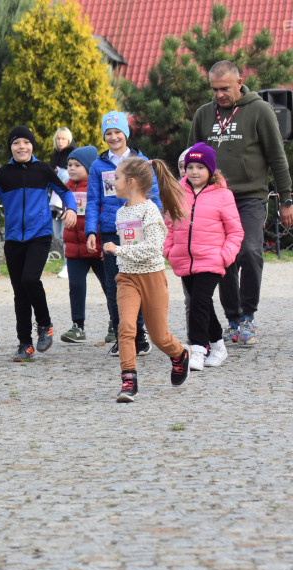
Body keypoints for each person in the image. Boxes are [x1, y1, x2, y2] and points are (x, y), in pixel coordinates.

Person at [189, 60, 293, 345]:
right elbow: (191, 158)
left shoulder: (259, 110)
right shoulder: (203, 114)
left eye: (224, 88)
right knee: (225, 258)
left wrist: (286, 199)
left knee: (249, 251)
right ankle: (233, 319)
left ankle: (248, 315)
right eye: (214, 89)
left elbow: (277, 157)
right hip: (214, 198)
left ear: (239, 81)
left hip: (250, 197)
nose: (219, 95)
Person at [0, 125, 77, 361]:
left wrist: (72, 209)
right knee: (19, 293)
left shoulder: (43, 170)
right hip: (14, 239)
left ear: (32, 146)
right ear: (11, 147)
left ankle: (45, 323)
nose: (21, 147)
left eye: (26, 142)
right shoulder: (4, 173)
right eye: (16, 143)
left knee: (30, 279)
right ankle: (24, 344)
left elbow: (65, 192)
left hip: (39, 235)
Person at [102, 157, 189, 402]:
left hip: (152, 277)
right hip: (127, 278)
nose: (112, 182)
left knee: (159, 336)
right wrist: (120, 258)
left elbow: (152, 249)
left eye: (116, 177)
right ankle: (129, 381)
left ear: (131, 182)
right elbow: (130, 246)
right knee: (126, 328)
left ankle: (180, 355)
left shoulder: (150, 210)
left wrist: (117, 250)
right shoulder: (120, 212)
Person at [162, 143, 243, 370]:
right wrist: (168, 250)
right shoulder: (176, 193)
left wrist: (224, 256)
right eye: (190, 167)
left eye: (200, 167)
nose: (194, 172)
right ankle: (218, 346)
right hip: (184, 260)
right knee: (203, 303)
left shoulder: (223, 195)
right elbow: (168, 224)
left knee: (198, 301)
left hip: (211, 259)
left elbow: (236, 231)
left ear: (210, 170)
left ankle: (197, 349)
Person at [86, 111, 161, 355]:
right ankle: (123, 335)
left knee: (137, 282)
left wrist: (156, 222)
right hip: (110, 230)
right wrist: (91, 231)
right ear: (103, 136)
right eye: (108, 133)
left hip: (136, 228)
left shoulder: (141, 161)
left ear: (126, 134)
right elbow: (92, 200)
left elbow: (154, 194)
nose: (113, 136)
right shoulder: (98, 165)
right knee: (114, 285)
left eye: (118, 132)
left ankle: (139, 335)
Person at [59, 145, 109, 343]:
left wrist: (104, 241)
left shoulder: (98, 186)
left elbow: (105, 214)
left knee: (109, 287)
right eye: (69, 165)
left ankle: (116, 323)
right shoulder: (66, 189)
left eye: (77, 165)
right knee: (76, 286)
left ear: (89, 167)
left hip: (96, 247)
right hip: (74, 248)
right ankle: (78, 326)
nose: (71, 168)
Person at [49, 127, 76, 278]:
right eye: (58, 139)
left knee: (66, 233)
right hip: (55, 201)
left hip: (69, 200)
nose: (60, 142)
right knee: (58, 235)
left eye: (63, 139)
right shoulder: (54, 156)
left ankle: (69, 265)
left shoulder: (73, 155)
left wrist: (61, 174)